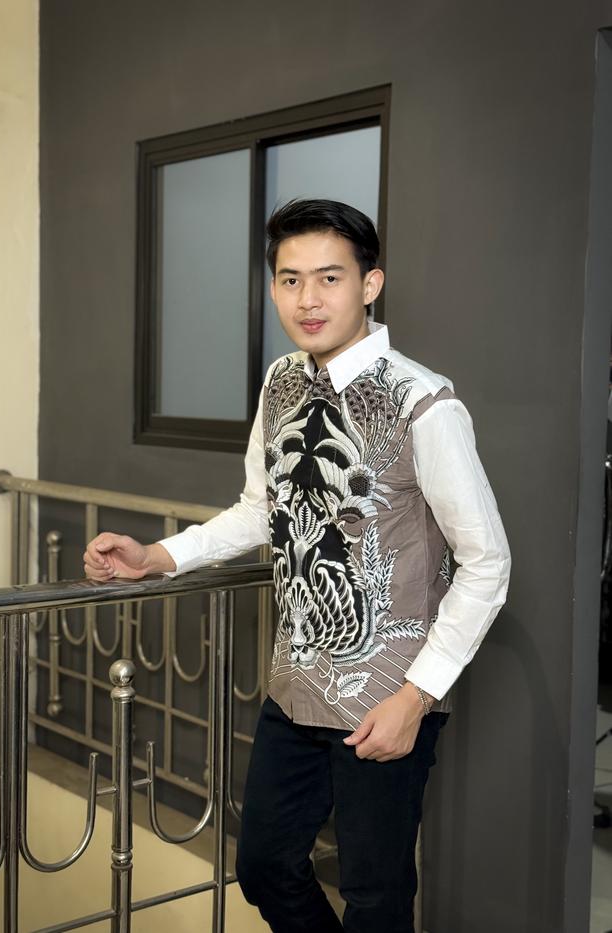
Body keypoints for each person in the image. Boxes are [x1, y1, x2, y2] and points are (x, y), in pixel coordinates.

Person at [84, 199, 511, 933]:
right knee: (264, 866)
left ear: (370, 284)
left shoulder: (424, 401)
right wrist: (159, 557)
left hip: (389, 695)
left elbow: (487, 562)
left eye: (329, 278)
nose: (308, 299)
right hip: (295, 682)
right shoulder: (282, 379)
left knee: (375, 896)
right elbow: (261, 508)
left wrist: (417, 698)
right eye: (290, 280)